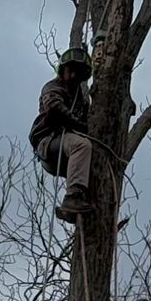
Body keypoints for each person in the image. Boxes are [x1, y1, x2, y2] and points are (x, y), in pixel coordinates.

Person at [30, 45, 94, 222]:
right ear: (63, 69)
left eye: (78, 72)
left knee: (89, 156)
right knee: (81, 145)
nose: (73, 76)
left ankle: (79, 202)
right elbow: (54, 107)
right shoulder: (53, 87)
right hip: (50, 141)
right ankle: (72, 198)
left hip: (65, 150)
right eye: (70, 70)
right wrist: (77, 124)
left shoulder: (80, 99)